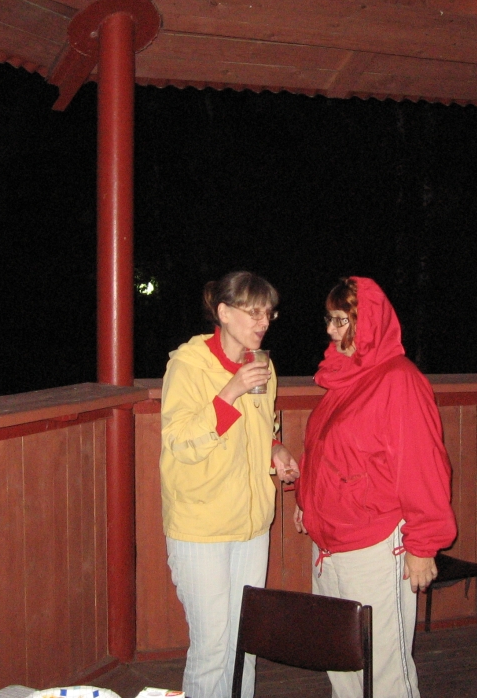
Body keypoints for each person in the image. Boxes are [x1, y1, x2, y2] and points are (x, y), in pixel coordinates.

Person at [294, 277, 456, 698]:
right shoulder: (345, 378)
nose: (330, 330)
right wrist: (307, 499)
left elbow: (423, 466)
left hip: (375, 546)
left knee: (382, 671)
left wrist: (423, 545)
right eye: (329, 319)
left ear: (366, 324)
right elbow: (327, 447)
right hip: (330, 545)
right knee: (341, 663)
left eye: (341, 320)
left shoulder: (398, 380)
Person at [160, 270, 300, 698]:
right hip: (201, 527)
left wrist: (275, 449)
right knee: (212, 648)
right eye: (253, 312)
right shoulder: (188, 366)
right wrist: (230, 391)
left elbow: (262, 428)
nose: (263, 322)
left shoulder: (263, 365)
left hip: (251, 525)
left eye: (268, 313)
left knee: (245, 644)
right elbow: (181, 443)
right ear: (223, 313)